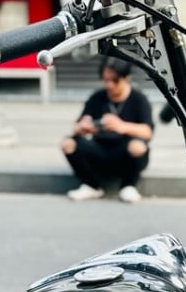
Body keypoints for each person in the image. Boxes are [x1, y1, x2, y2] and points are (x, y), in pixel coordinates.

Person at [61, 57, 154, 203]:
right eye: (106, 80)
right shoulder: (97, 97)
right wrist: (84, 127)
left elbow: (148, 131)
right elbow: (77, 125)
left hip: (125, 151)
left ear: (126, 78)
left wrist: (121, 126)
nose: (110, 85)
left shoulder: (139, 99)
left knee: (138, 146)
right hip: (99, 148)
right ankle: (91, 185)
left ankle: (128, 186)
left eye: (115, 80)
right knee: (68, 143)